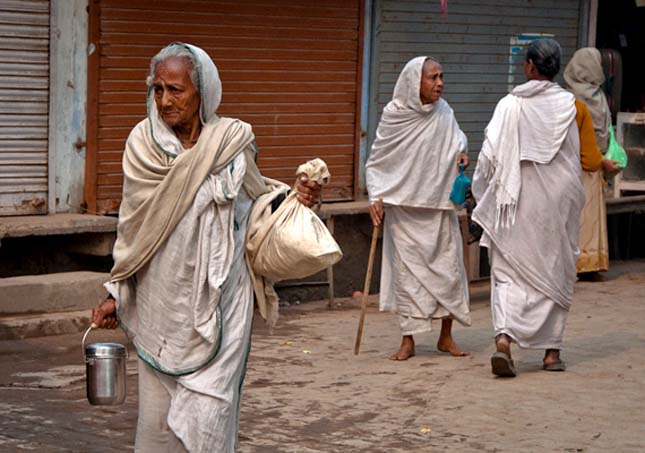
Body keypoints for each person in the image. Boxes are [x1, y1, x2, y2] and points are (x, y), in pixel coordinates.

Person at [89, 42, 321, 452]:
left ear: (203, 93)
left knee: (212, 410)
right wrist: (116, 292)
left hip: (223, 302)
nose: (164, 101)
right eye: (157, 89)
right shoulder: (142, 146)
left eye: (175, 90)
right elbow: (134, 232)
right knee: (159, 424)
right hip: (163, 307)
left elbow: (256, 206)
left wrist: (296, 201)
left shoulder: (232, 142)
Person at [471, 39, 584, 377]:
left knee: (507, 272)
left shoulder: (509, 105)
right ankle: (551, 353)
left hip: (515, 202)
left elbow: (489, 156)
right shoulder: (570, 105)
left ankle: (504, 339)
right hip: (557, 202)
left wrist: (482, 193)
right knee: (555, 268)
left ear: (531, 66)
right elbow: (573, 161)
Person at [365, 56, 471, 361]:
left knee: (449, 271)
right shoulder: (395, 114)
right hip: (405, 209)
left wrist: (462, 154)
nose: (440, 83)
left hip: (438, 206)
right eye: (433, 78)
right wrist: (376, 196)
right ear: (415, 82)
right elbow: (379, 158)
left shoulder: (445, 111)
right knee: (407, 276)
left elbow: (457, 141)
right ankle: (408, 340)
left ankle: (446, 337)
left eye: (441, 76)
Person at [564, 48, 622, 276]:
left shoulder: (598, 97)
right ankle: (577, 263)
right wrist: (597, 159)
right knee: (579, 216)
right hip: (576, 167)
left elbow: (603, 131)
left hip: (596, 166)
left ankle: (591, 264)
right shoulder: (569, 100)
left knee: (591, 218)